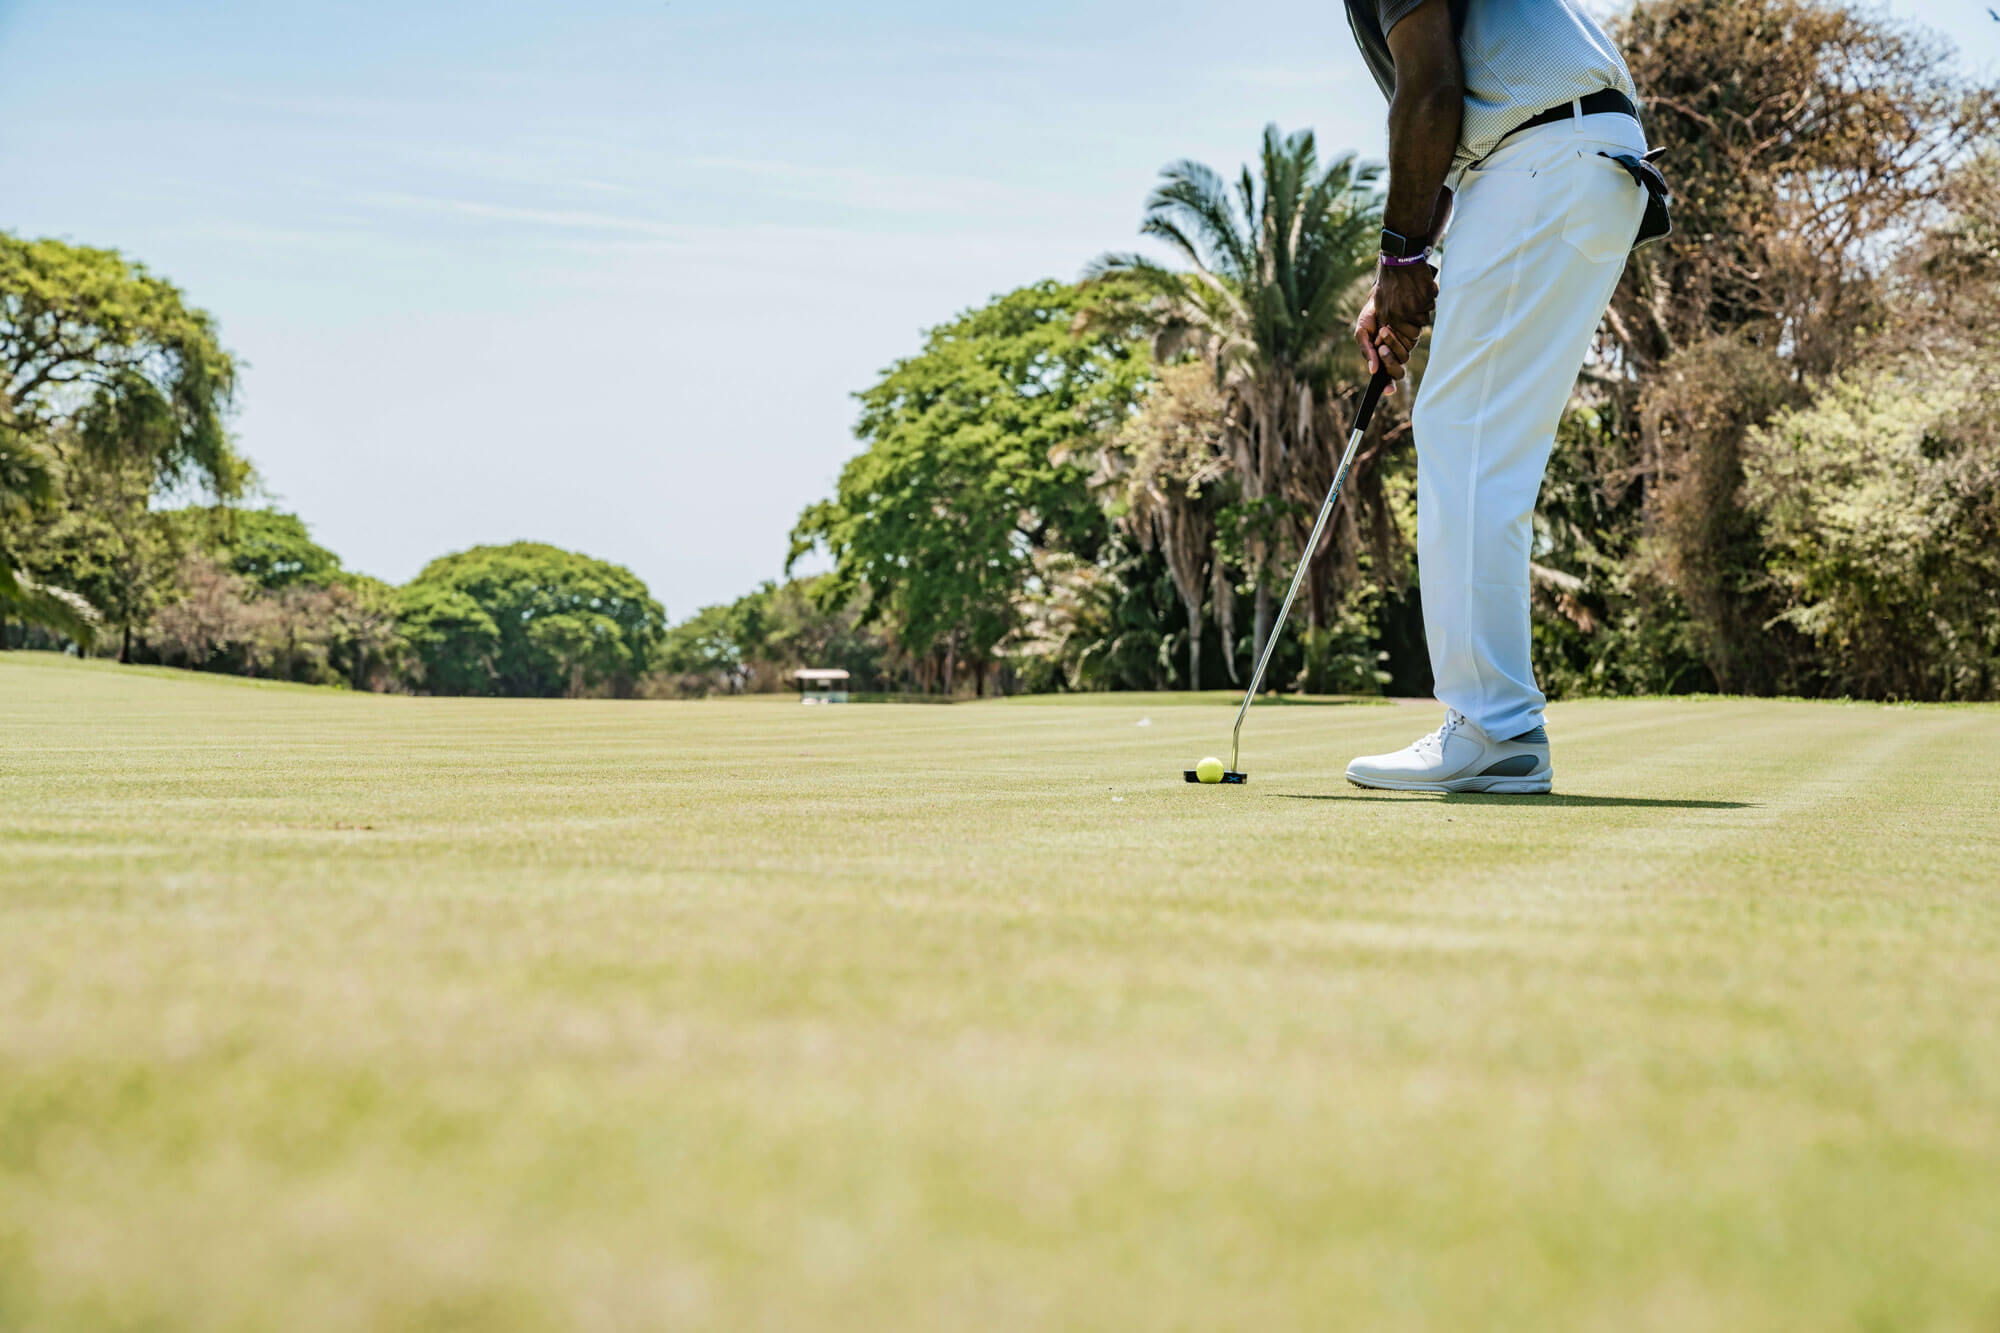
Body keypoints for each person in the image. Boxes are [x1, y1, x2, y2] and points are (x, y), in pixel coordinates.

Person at [1341, 0, 1651, 795]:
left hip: (1542, 155)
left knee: (1465, 435)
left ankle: (1494, 726)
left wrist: (1401, 262)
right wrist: (1404, 267)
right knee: (1478, 438)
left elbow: (1433, 91)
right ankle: (1495, 725)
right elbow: (1439, 139)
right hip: (1569, 155)